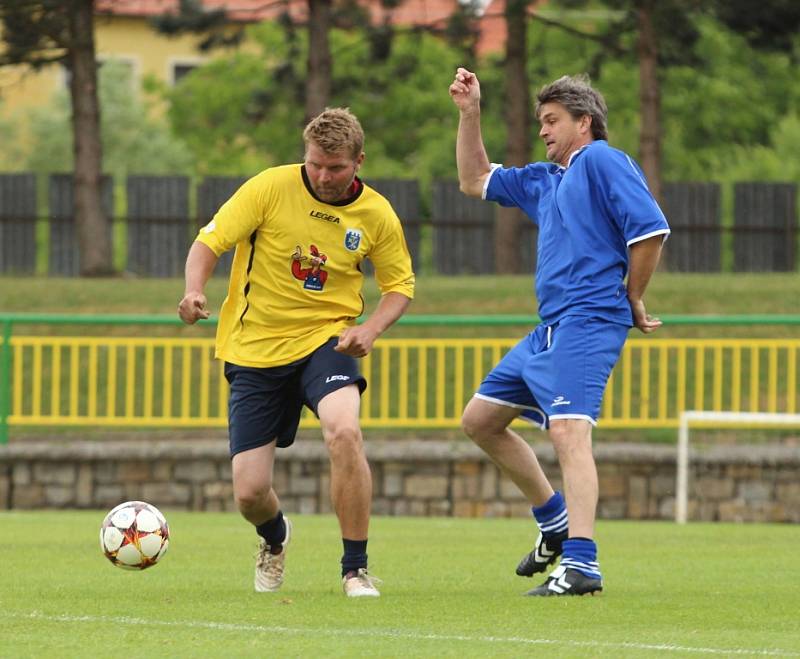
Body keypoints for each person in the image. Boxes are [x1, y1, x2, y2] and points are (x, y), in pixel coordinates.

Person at [449, 69, 669, 596]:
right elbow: (472, 179)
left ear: (584, 122)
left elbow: (651, 229)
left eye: (552, 121)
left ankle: (582, 563)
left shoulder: (600, 160)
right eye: (541, 121)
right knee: (481, 420)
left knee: (569, 433)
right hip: (550, 329)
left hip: (589, 321)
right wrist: (470, 112)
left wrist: (633, 295)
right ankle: (554, 522)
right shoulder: (547, 180)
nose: (543, 131)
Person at [178, 108, 415, 598]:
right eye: (315, 165)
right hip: (254, 348)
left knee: (345, 432)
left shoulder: (376, 214)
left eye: (336, 168)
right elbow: (210, 242)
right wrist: (193, 290)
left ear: (359, 161)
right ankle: (275, 536)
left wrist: (370, 329)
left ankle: (355, 569)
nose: (324, 177)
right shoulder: (269, 187)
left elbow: (399, 286)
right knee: (249, 494)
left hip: (327, 340)